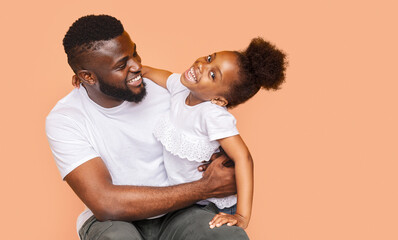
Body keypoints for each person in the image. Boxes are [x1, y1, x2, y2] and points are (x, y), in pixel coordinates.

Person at [45, 14, 249, 240]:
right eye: (122, 65)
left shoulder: (171, 91)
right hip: (113, 221)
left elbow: (215, 128)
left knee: (225, 236)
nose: (137, 66)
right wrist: (205, 187)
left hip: (182, 211)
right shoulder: (66, 118)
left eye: (134, 53)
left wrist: (219, 160)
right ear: (87, 77)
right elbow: (104, 202)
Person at [136, 37, 287, 229]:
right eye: (209, 58)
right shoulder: (180, 88)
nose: (202, 66)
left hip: (211, 205)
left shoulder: (212, 114)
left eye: (213, 75)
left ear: (220, 100)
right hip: (184, 200)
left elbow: (243, 157)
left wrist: (242, 215)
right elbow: (148, 71)